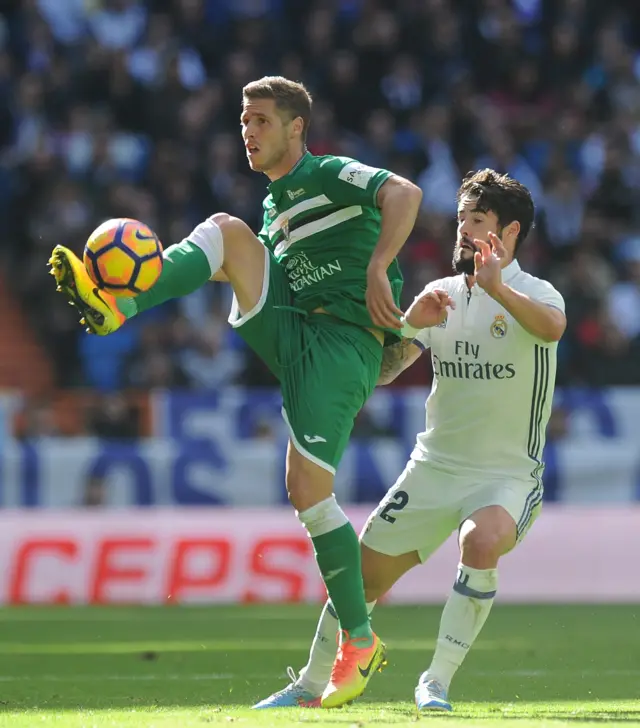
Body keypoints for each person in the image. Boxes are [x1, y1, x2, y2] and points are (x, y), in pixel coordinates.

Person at [48, 76, 424, 709]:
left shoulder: (329, 172)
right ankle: (121, 304)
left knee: (309, 492)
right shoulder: (275, 209)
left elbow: (405, 193)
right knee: (227, 233)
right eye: (244, 121)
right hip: (300, 331)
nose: (247, 131)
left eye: (261, 121)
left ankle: (358, 644)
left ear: (296, 127)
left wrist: (382, 262)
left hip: (340, 343)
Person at [254, 168, 566, 711]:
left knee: (483, 540)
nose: (464, 231)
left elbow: (551, 329)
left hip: (507, 475)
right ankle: (309, 683)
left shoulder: (538, 293)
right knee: (361, 576)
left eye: (479, 221)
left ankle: (436, 682)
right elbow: (384, 371)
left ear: (510, 232)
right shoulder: (440, 294)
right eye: (462, 219)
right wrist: (403, 325)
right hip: (433, 468)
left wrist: (498, 289)